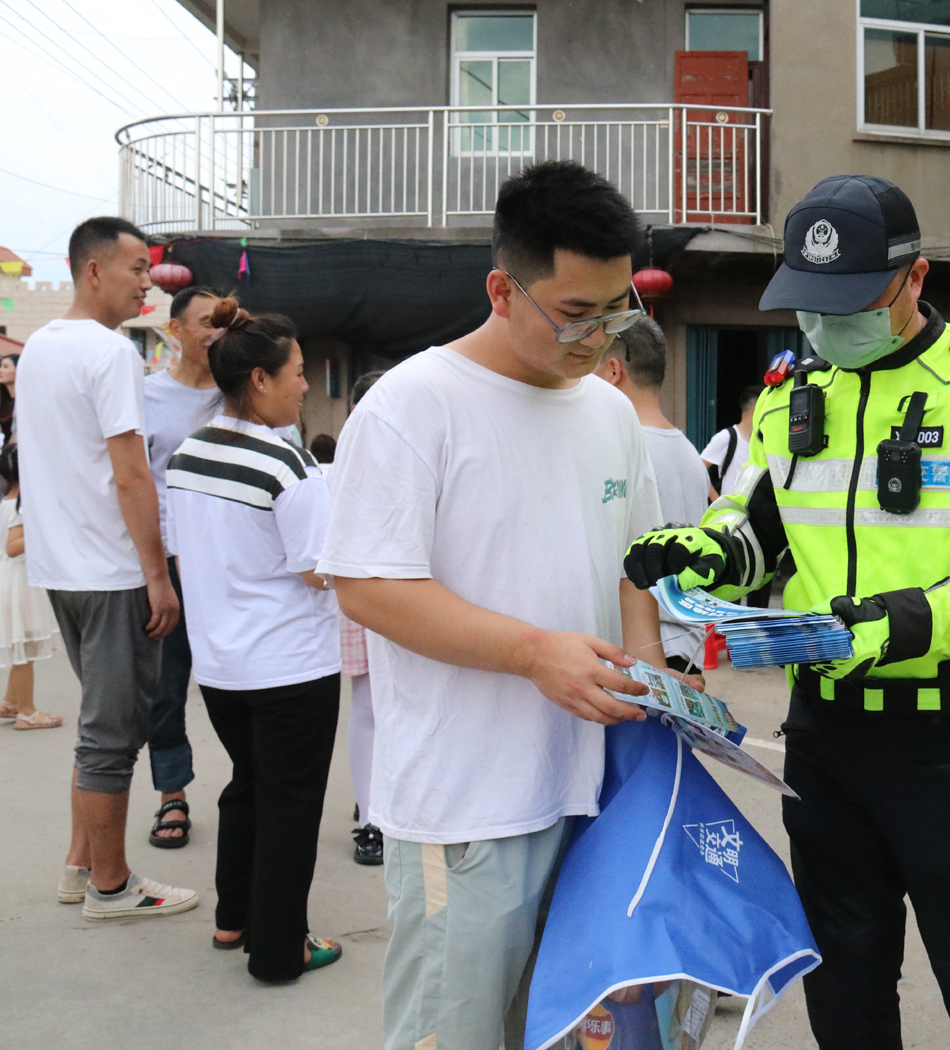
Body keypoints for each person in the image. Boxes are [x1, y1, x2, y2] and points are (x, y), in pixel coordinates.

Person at [626, 174, 950, 1050]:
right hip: (827, 740)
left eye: (851, 301)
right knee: (841, 974)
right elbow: (759, 526)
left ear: (915, 279)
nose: (827, 323)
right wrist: (706, 551)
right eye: (810, 301)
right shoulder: (798, 388)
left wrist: (904, 622)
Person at [319, 161, 665, 1050]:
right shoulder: (412, 404)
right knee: (455, 1032)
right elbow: (368, 585)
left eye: (616, 307)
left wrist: (652, 673)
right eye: (574, 312)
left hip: (591, 788)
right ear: (500, 290)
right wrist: (531, 653)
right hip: (466, 803)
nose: (597, 335)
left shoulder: (609, 413)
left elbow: (633, 566)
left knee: (555, 1034)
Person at [18, 216, 192, 920]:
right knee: (113, 736)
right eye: (135, 270)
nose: (145, 283)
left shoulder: (38, 351)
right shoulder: (110, 353)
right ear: (93, 271)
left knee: (98, 727)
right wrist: (157, 575)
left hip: (61, 565)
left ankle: (78, 864)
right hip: (111, 568)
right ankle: (113, 888)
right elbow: (131, 474)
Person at [165, 297, 342, 980]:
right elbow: (318, 572)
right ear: (261, 380)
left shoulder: (189, 452)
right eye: (297, 372)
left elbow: (190, 549)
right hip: (290, 666)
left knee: (248, 785)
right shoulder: (286, 467)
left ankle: (232, 917)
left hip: (220, 665)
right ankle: (279, 949)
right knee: (290, 806)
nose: (304, 384)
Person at [140, 283, 224, 849]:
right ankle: (173, 794)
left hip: (226, 562)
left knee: (238, 682)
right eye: (206, 324)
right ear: (176, 331)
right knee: (166, 689)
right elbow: (130, 483)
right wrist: (150, 570)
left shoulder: (241, 394)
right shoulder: (145, 397)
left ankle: (255, 784)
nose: (217, 334)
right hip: (168, 560)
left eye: (225, 323)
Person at [593, 317, 711, 671]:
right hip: (685, 643)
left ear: (613, 371)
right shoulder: (689, 451)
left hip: (638, 649)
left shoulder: (620, 450)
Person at [340, 368, 385, 866]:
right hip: (364, 598)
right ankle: (370, 818)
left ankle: (376, 798)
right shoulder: (341, 467)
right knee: (369, 707)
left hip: (419, 598)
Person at [0, 442, 62, 730]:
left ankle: (11, 700)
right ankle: (27, 711)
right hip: (21, 580)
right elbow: (13, 547)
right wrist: (44, 532)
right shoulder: (24, 506)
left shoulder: (5, 502)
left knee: (21, 644)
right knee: (26, 647)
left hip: (10, 578)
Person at [701, 385, 760, 502]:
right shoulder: (726, 437)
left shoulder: (762, 441)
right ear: (756, 410)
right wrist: (717, 501)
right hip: (731, 515)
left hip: (755, 513)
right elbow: (698, 468)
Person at [0, 353, 18, 440]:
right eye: (1, 366)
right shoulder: (4, 401)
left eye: (6, 367)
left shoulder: (25, 402)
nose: (1, 370)